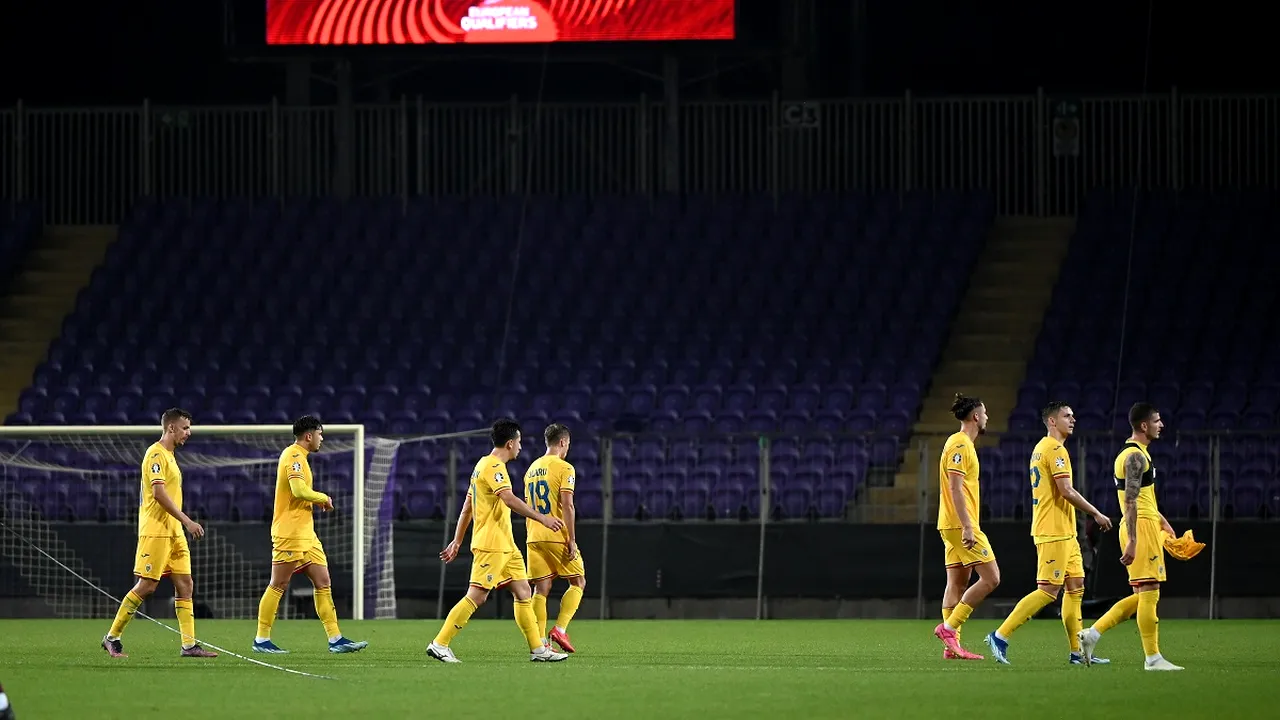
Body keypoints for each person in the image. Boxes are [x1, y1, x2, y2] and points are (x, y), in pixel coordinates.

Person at [427, 418, 569, 663]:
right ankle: (440, 643)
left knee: (524, 591)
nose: (521, 448)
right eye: (520, 443)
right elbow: (509, 499)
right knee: (477, 595)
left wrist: (457, 540)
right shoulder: (493, 467)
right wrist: (542, 519)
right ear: (511, 443)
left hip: (507, 545)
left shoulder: (480, 466)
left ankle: (538, 649)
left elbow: (466, 508)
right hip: (492, 544)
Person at [984, 401, 1114, 664]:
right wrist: (1096, 513)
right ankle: (1000, 635)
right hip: (1052, 530)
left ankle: (1077, 652)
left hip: (1066, 531)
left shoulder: (1043, 448)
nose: (1073, 419)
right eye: (1067, 415)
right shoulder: (1054, 450)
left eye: (1073, 415)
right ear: (1052, 421)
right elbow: (1066, 490)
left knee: (1075, 587)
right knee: (1047, 591)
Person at [102, 408, 217, 658]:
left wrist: (181, 526)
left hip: (174, 532)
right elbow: (158, 493)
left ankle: (189, 645)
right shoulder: (155, 454)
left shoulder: (171, 456)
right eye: (185, 428)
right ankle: (112, 637)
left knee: (185, 584)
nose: (189, 433)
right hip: (156, 531)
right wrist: (187, 521)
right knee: (147, 586)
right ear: (171, 428)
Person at [1077, 403, 1183, 671]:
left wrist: (1164, 523)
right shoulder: (1135, 457)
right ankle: (1152, 658)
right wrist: (1135, 539)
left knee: (1141, 596)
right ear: (1144, 426)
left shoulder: (1137, 454)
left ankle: (1093, 634)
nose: (1162, 425)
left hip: (1146, 523)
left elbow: (1144, 498)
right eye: (1157, 421)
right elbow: (1132, 501)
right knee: (1150, 593)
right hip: (1140, 528)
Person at [252, 416, 367, 654]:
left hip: (307, 534)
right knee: (279, 583)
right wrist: (322, 498)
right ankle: (261, 640)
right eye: (320, 434)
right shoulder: (293, 456)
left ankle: (335, 639)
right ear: (309, 435)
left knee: (323, 581)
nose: (321, 438)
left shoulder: (302, 458)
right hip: (290, 533)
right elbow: (298, 490)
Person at [933, 394, 999, 660]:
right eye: (984, 413)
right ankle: (948, 629)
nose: (986, 418)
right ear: (975, 416)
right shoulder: (960, 444)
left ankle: (952, 648)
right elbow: (955, 487)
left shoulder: (960, 443)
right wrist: (968, 527)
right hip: (960, 524)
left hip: (950, 524)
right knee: (991, 578)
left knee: (957, 583)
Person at [524, 423, 586, 653]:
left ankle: (540, 644)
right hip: (555, 533)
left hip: (533, 535)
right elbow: (568, 505)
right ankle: (559, 629)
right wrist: (571, 538)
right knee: (578, 581)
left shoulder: (531, 469)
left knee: (541, 589)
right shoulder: (564, 468)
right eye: (567, 444)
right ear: (562, 442)